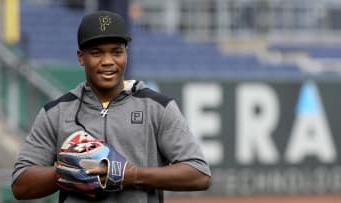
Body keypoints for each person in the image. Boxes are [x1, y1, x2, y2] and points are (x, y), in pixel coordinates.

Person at [11, 10, 211, 202]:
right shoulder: (56, 112)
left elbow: (199, 174)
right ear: (81, 56)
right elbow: (20, 184)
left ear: (126, 53)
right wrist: (67, 171)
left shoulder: (157, 107)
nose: (108, 61)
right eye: (97, 53)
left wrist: (131, 175)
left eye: (116, 52)